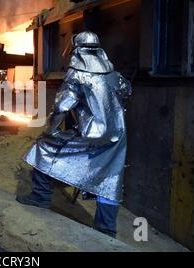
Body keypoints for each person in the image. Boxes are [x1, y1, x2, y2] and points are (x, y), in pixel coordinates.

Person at [17, 31, 132, 238]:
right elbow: (127, 91)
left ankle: (40, 196)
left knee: (43, 147)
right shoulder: (112, 73)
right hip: (117, 134)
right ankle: (106, 230)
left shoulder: (77, 73)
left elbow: (62, 105)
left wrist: (49, 131)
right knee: (110, 179)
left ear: (76, 49)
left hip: (92, 135)